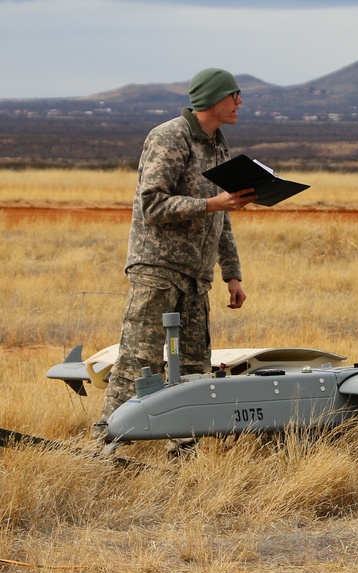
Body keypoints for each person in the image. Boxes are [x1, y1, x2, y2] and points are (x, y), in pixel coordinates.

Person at [93, 67, 257, 456]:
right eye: (234, 96)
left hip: (197, 276)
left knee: (196, 370)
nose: (240, 103)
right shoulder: (170, 136)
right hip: (158, 270)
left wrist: (232, 274)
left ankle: (184, 451)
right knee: (140, 360)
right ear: (215, 99)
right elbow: (152, 203)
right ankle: (103, 446)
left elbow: (223, 215)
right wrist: (210, 203)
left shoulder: (219, 144)